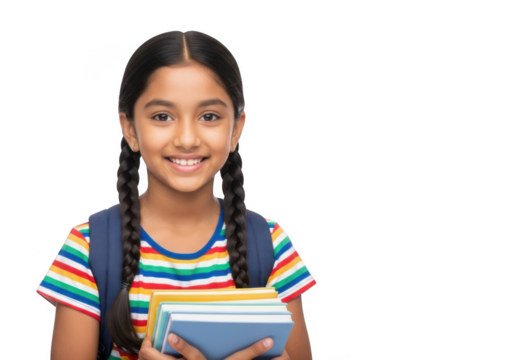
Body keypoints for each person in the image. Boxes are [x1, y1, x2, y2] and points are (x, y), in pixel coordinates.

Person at [36, 30, 316, 360]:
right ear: (129, 128)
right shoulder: (89, 249)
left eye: (209, 116)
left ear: (236, 130)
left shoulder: (269, 244)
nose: (186, 138)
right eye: (162, 117)